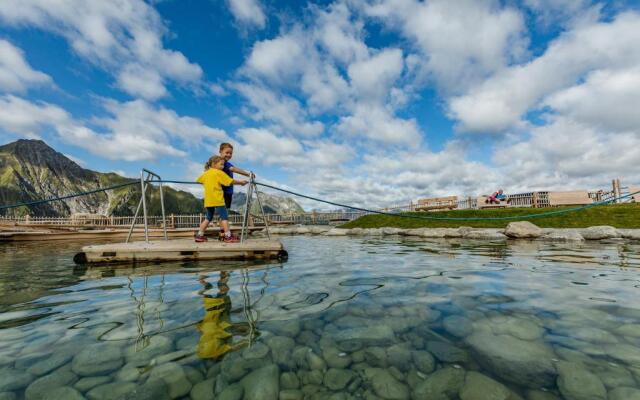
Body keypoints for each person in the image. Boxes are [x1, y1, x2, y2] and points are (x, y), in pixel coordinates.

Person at [196, 155, 247, 243]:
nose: (223, 167)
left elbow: (199, 180)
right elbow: (230, 181)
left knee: (208, 217)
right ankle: (228, 236)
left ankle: (199, 235)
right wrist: (241, 183)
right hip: (218, 199)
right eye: (221, 165)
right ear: (214, 164)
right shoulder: (219, 173)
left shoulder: (206, 173)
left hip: (208, 200)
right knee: (224, 217)